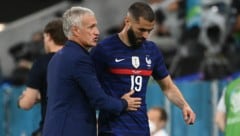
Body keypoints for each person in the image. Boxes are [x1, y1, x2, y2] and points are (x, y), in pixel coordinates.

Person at [90, 2, 196, 135]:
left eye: (149, 30)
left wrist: (184, 105)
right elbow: (89, 89)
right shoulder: (104, 50)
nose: (146, 35)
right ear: (127, 21)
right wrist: (117, 103)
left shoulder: (151, 50)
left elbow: (168, 87)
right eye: (141, 29)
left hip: (141, 129)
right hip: (112, 130)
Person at [42, 6, 142, 136]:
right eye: (91, 27)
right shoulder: (79, 59)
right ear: (76, 30)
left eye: (96, 26)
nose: (97, 32)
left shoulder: (56, 58)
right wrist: (124, 103)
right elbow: (99, 100)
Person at [18, 18, 67, 136]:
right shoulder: (81, 59)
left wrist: (20, 101)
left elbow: (27, 103)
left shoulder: (42, 63)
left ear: (49, 37)